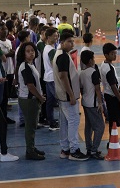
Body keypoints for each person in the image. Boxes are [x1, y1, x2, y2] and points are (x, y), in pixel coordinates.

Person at [54, 31, 88, 161]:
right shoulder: (62, 56)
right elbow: (63, 77)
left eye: (73, 41)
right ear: (62, 43)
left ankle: (65, 149)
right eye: (69, 41)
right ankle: (74, 150)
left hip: (62, 95)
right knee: (73, 121)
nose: (72, 44)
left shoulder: (61, 54)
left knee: (64, 122)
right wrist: (71, 95)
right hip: (67, 96)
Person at [16, 42, 46, 160]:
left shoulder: (30, 64)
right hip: (29, 100)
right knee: (30, 126)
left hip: (32, 99)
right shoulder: (25, 67)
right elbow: (30, 86)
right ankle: (30, 151)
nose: (31, 53)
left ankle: (32, 147)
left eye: (32, 51)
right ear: (23, 53)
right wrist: (40, 97)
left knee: (32, 125)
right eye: (28, 51)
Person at [100, 43, 120, 154]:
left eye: (115, 53)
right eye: (112, 54)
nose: (115, 56)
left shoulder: (104, 64)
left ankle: (113, 140)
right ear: (106, 55)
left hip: (108, 95)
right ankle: (113, 143)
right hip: (112, 97)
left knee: (113, 120)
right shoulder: (109, 70)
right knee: (114, 121)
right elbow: (113, 87)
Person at [80, 50, 105, 160]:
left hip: (85, 102)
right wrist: (100, 102)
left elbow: (81, 88)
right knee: (100, 127)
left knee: (89, 126)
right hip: (93, 103)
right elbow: (97, 89)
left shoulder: (82, 73)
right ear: (91, 61)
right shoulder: (93, 72)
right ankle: (94, 150)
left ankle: (89, 147)